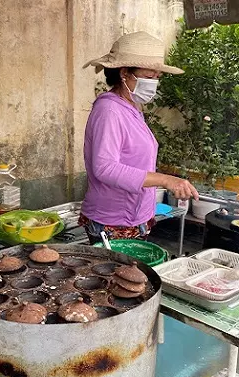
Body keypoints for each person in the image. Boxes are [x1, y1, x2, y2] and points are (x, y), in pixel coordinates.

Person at [79, 31, 198, 244]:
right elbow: (105, 167)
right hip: (113, 221)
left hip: (135, 218)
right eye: (149, 77)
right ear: (124, 73)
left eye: (157, 77)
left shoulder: (132, 108)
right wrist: (165, 180)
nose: (154, 83)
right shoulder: (109, 110)